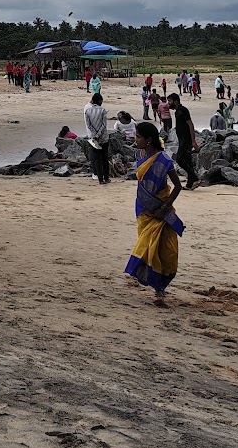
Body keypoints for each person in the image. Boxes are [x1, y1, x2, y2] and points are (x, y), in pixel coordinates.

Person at [124, 121, 183, 306]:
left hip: (162, 209)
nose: (136, 140)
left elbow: (178, 186)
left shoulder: (164, 160)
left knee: (165, 250)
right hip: (144, 209)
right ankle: (157, 288)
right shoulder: (140, 155)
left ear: (148, 140)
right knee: (147, 245)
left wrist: (165, 208)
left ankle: (160, 289)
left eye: (138, 137)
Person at [170, 95, 199, 191]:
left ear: (175, 101)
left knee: (179, 159)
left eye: (170, 101)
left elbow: (190, 125)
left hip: (186, 140)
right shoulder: (178, 111)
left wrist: (193, 141)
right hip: (182, 139)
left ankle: (195, 178)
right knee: (188, 160)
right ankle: (190, 184)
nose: (168, 103)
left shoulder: (183, 110)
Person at [83, 92, 111, 184]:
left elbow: (89, 125)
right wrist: (99, 134)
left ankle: (100, 179)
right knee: (105, 159)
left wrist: (95, 134)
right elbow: (104, 125)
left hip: (93, 139)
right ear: (100, 101)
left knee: (97, 159)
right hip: (103, 138)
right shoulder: (103, 111)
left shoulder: (88, 111)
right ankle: (106, 178)